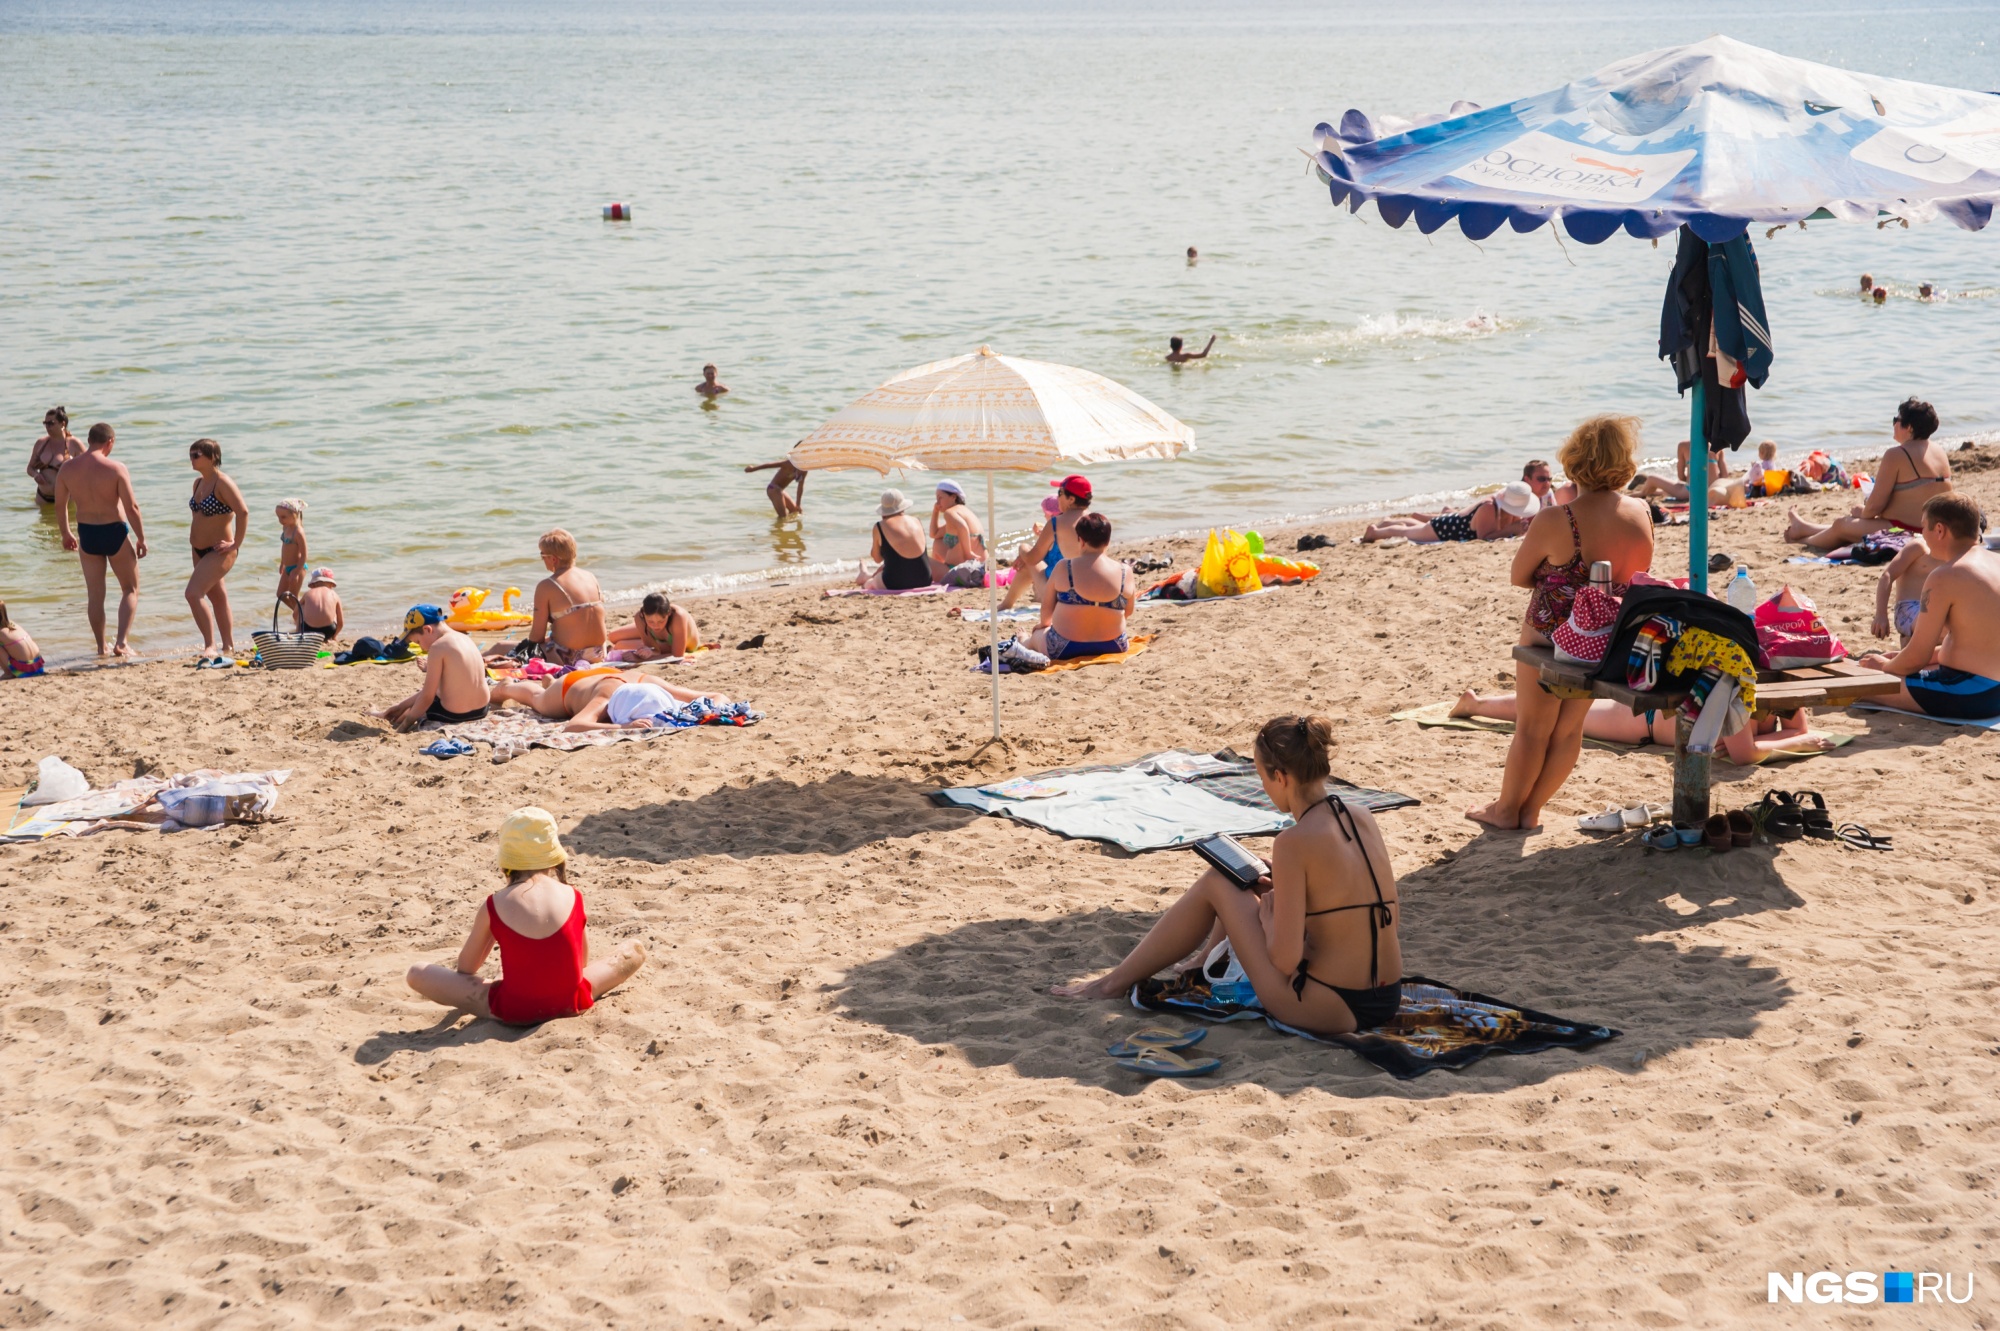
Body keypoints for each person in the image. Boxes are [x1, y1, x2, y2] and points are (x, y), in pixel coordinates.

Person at [1052, 715, 1402, 1036]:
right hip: (1386, 997)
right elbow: (1376, 910)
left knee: (1218, 881)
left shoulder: (1293, 842)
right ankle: (1204, 958)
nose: (1264, 787)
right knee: (1243, 876)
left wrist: (1267, 922)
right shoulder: (1360, 816)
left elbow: (1285, 959)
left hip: (1328, 1006)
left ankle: (1114, 984)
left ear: (1280, 777)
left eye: (1262, 777)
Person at [1467, 414, 1655, 832]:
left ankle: (1506, 811)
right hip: (1604, 640)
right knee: (1568, 733)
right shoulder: (1641, 513)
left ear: (1575, 460)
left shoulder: (1559, 518)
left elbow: (1518, 577)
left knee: (1532, 730)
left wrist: (1555, 575)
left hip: (1548, 642)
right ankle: (1530, 810)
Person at [405, 807, 645, 1025]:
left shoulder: (494, 904)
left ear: (507, 860)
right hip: (571, 1002)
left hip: (515, 1009)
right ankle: (631, 955)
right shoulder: (573, 895)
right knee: (632, 951)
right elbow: (580, 963)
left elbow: (467, 968)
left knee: (417, 973)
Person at [1857, 494, 2000, 720]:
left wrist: (1883, 666)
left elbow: (1916, 657)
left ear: (1940, 530)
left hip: (1970, 693)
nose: (1921, 534)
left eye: (1923, 527)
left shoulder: (1946, 575)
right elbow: (1978, 641)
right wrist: (1900, 657)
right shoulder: (1995, 562)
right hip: (1993, 690)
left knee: (1861, 683)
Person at [1450, 690, 1835, 763]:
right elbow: (1746, 755)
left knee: (1560, 709)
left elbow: (1793, 728)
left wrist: (1797, 735)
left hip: (1651, 720)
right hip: (1641, 721)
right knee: (1553, 713)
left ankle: (1480, 701)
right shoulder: (1743, 697)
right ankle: (1479, 704)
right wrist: (1800, 740)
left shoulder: (1785, 695)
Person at [1785, 398, 1952, 551]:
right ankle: (1804, 528)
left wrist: (1862, 512)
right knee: (1853, 524)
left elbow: (1874, 507)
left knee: (1842, 525)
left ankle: (1803, 541)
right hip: (1933, 530)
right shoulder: (1938, 451)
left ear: (1909, 427)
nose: (1893, 424)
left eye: (1896, 420)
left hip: (1906, 531)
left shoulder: (1897, 455)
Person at [53, 423, 147, 657]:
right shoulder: (116, 468)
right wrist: (141, 538)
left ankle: (100, 647)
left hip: (88, 534)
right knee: (130, 589)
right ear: (110, 442)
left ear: (90, 439)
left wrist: (66, 533)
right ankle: (122, 643)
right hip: (114, 531)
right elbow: (132, 507)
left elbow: (60, 505)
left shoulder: (67, 469)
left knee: (95, 595)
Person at [485, 529, 607, 666]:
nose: (542, 559)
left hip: (568, 657)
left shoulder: (548, 585)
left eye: (542, 555)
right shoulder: (590, 576)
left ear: (553, 559)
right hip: (598, 653)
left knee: (499, 647)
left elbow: (537, 637)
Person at [1023, 511, 1133, 660]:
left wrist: (1043, 626)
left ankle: (1022, 640)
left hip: (1065, 647)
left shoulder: (1065, 567)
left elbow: (1047, 609)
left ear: (1080, 540)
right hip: (1114, 645)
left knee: (1036, 635)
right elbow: (1128, 611)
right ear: (1108, 541)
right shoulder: (1125, 572)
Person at [181, 439, 250, 666]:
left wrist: (235, 543)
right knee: (217, 596)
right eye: (190, 454)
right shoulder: (198, 483)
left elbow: (243, 511)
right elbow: (197, 517)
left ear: (212, 457)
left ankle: (210, 645)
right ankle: (228, 645)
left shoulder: (223, 483)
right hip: (198, 549)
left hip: (220, 549)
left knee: (193, 593)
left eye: (197, 454)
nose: (192, 458)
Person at [490, 663, 727, 729]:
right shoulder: (606, 697)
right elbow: (575, 724)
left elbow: (718, 695)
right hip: (569, 687)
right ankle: (506, 687)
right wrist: (625, 728)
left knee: (546, 693)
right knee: (539, 701)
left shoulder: (653, 683)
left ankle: (549, 681)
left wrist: (707, 711)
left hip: (604, 674)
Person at [377, 606, 492, 730]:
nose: (421, 648)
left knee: (414, 709)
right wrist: (402, 705)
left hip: (455, 715)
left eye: (418, 642)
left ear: (427, 629)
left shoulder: (437, 647)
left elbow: (427, 697)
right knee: (431, 695)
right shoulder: (465, 638)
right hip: (482, 710)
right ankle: (396, 708)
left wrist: (404, 726)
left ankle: (385, 714)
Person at [1000, 475, 1090, 611]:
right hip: (1089, 594)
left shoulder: (1056, 523)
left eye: (1060, 493)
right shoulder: (1096, 521)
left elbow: (1032, 559)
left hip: (1063, 599)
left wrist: (1022, 548)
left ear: (1071, 499)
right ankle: (1005, 605)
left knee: (1027, 563)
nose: (1058, 497)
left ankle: (1005, 605)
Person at [1361, 482, 1540, 543]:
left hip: (1452, 522)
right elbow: (1483, 537)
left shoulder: (1503, 505)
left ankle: (1389, 522)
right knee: (1409, 533)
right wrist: (1513, 529)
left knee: (1420, 528)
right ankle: (1375, 532)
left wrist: (1517, 528)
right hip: (1446, 528)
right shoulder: (1489, 507)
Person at [856, 489, 934, 590]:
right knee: (888, 567)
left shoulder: (880, 526)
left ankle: (864, 576)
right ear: (903, 507)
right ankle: (865, 574)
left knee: (868, 584)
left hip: (895, 583)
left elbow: (877, 559)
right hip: (924, 579)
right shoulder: (916, 521)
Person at [1627, 437, 1741, 506]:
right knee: (1676, 488)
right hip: (1714, 491)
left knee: (1651, 478)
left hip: (1691, 492)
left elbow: (1681, 476)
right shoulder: (1718, 446)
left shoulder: (1684, 445)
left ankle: (1642, 493)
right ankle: (1658, 492)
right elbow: (1724, 476)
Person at [1873, 536, 1942, 646]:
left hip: (1932, 606)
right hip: (1908, 607)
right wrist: (1881, 614)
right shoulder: (1919, 546)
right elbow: (1887, 575)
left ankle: (1912, 641)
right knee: (1940, 625)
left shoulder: (1955, 552)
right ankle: (1912, 640)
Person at [605, 591, 699, 661]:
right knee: (612, 636)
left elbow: (677, 656)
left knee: (620, 645)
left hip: (681, 645)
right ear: (643, 614)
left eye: (661, 621)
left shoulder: (678, 617)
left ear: (668, 613)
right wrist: (649, 652)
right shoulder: (639, 617)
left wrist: (640, 659)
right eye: (650, 621)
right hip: (660, 642)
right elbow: (652, 649)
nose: (656, 626)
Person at [928, 480, 987, 580]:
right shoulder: (965, 512)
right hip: (980, 568)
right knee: (937, 542)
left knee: (920, 558)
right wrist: (935, 511)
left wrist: (968, 554)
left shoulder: (950, 513)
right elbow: (934, 534)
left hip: (960, 572)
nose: (937, 502)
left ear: (953, 497)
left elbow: (963, 527)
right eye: (936, 498)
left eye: (940, 498)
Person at [27, 407, 82, 505]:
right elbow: (30, 468)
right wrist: (36, 475)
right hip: (42, 497)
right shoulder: (41, 443)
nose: (47, 427)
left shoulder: (74, 443)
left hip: (67, 499)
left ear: (62, 424)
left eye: (51, 423)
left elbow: (90, 466)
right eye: (45, 423)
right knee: (44, 520)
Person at [273, 498, 308, 614]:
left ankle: (301, 617)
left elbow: (304, 554)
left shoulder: (298, 532)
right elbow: (284, 547)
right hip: (287, 567)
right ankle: (302, 613)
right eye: (278, 517)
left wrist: (297, 571)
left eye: (283, 517)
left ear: (295, 514)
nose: (280, 520)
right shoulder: (286, 528)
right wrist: (283, 563)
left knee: (293, 597)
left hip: (297, 568)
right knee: (280, 594)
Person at [295, 567, 343, 642]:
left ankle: (298, 634)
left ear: (313, 584)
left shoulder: (307, 593)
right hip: (328, 631)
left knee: (301, 607)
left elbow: (295, 613)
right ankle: (331, 638)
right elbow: (341, 623)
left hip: (308, 630)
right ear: (331, 584)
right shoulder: (334, 595)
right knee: (334, 612)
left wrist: (299, 625)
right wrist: (334, 636)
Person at [0, 603, 45, 679]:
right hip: (38, 667)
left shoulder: (1, 632)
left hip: (24, 671)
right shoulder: (13, 624)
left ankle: (8, 673)